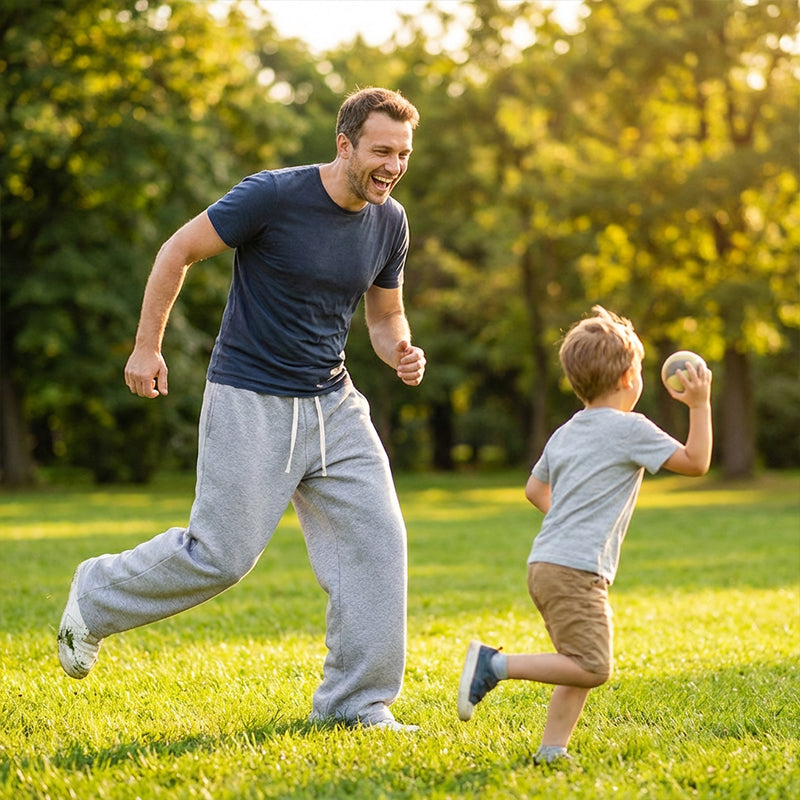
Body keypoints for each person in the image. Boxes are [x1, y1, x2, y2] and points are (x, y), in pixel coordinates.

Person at [58, 87, 426, 731]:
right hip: (250, 396)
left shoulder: (390, 221)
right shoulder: (273, 195)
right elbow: (177, 251)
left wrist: (400, 350)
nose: (392, 166)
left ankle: (355, 704)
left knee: (379, 541)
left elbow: (385, 312)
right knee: (221, 556)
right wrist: (147, 347)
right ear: (345, 145)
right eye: (381, 151)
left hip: (334, 403)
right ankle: (96, 595)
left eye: (402, 154)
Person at [457, 305, 712, 763]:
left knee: (574, 661)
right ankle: (494, 665)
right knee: (592, 666)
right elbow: (696, 462)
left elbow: (535, 489)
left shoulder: (566, 431)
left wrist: (568, 517)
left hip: (545, 563)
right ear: (626, 380)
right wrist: (699, 405)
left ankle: (552, 750)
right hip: (576, 570)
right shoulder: (630, 429)